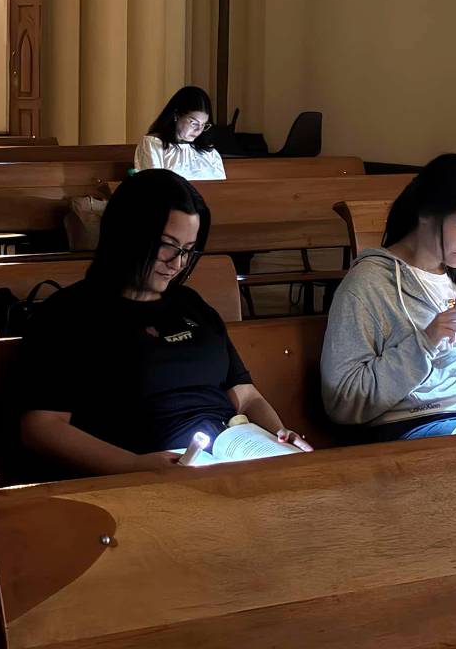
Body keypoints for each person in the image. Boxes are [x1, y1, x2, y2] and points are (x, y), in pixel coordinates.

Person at [20, 169, 310, 474]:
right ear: (128, 235)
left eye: (187, 250)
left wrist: (279, 436)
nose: (178, 263)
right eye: (168, 246)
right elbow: (41, 428)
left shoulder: (192, 304)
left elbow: (248, 396)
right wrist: (132, 465)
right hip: (144, 471)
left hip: (234, 453)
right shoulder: (68, 314)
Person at [321, 153, 456, 441]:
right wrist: (424, 344)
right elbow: (343, 400)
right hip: (411, 424)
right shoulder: (368, 284)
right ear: (426, 213)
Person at [133, 86, 226, 180]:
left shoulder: (209, 152)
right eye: (194, 123)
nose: (199, 130)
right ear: (176, 115)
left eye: (204, 124)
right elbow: (153, 185)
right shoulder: (153, 144)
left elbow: (220, 186)